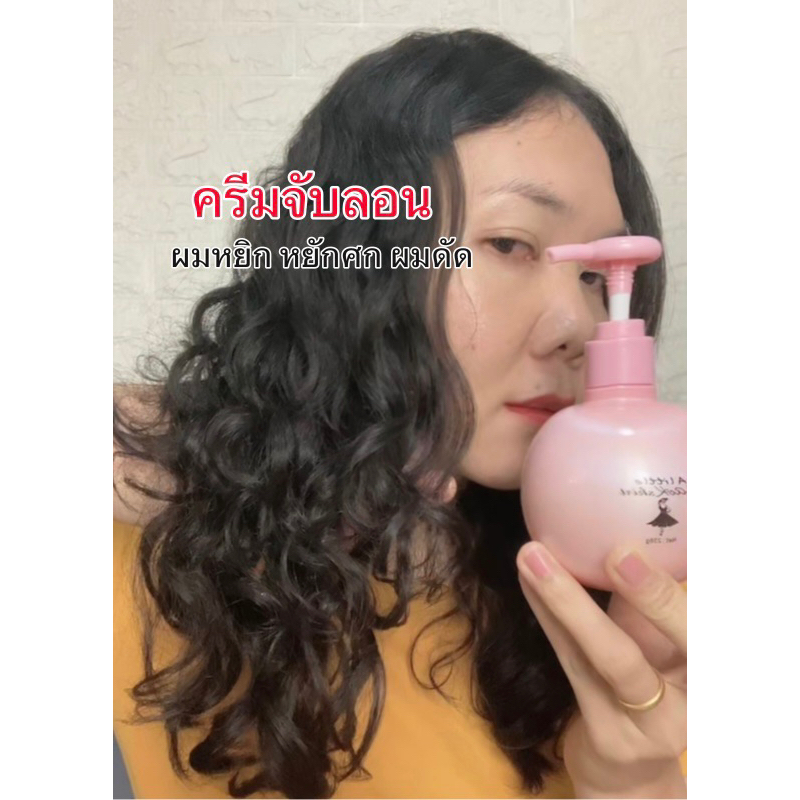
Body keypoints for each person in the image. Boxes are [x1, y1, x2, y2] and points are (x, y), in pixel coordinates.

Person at [113, 29, 687, 799]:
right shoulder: (152, 544)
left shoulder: (646, 592)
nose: (578, 327)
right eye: (511, 243)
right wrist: (226, 463)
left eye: (595, 276)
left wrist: (632, 783)